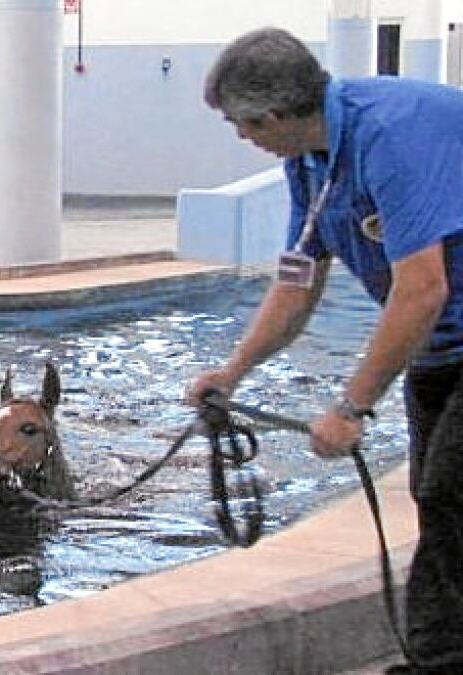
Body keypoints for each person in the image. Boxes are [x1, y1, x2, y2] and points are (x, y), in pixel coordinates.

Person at [190, 27, 463, 674]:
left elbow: (422, 289)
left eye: (241, 125)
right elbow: (297, 281)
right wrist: (232, 372)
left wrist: (351, 407)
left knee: (451, 492)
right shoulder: (310, 163)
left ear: (273, 115)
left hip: (445, 324)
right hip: (442, 348)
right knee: (436, 497)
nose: (242, 137)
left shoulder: (389, 134)